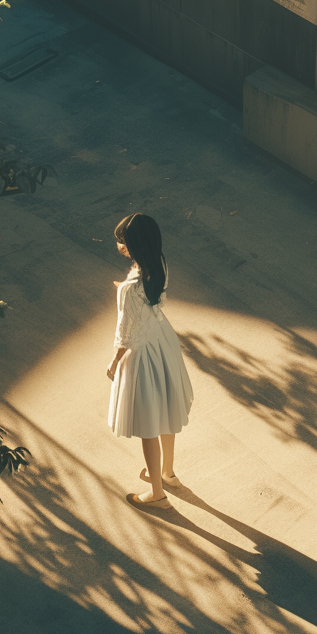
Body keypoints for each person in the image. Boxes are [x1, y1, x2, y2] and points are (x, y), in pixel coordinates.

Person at [107, 213, 193, 507]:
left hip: (143, 351)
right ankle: (168, 472)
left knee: (147, 424)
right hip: (163, 342)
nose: (119, 244)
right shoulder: (159, 264)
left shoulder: (129, 290)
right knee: (166, 409)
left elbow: (125, 332)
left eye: (122, 240)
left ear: (133, 245)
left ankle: (156, 493)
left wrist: (114, 362)